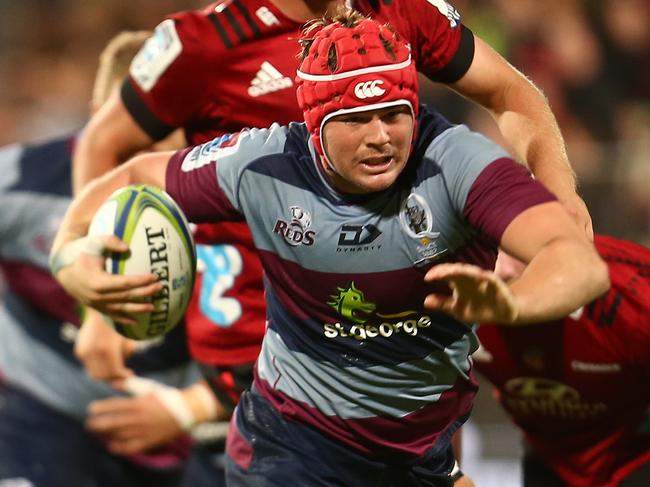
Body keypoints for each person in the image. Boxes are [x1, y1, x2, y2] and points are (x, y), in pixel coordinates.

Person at [50, 10, 609, 486]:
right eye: (355, 119)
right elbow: (126, 174)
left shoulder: (457, 162)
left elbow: (578, 263)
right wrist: (71, 259)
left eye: (394, 114)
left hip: (420, 448)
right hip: (290, 439)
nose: (380, 136)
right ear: (313, 124)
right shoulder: (260, 161)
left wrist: (514, 300)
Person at [0, 31, 205, 487]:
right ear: (99, 120)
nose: (147, 154)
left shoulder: (224, 198)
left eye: (161, 131)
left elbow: (286, 340)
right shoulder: (18, 184)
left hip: (174, 431)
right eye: (131, 135)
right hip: (39, 414)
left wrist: (188, 408)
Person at [474, 235, 650, 487]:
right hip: (549, 458)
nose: (499, 269)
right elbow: (432, 414)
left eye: (513, 245)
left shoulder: (636, 298)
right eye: (487, 245)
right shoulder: (439, 294)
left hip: (635, 456)